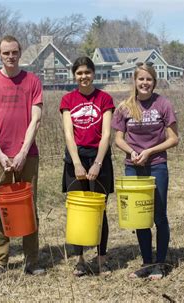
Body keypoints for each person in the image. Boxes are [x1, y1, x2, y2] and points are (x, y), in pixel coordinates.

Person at [0, 35, 44, 275]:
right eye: (6, 53)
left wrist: (23, 152)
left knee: (28, 208)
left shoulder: (32, 81)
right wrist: (2, 154)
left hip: (28, 155)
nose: (10, 57)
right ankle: (0, 262)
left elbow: (35, 120)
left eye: (14, 52)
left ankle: (31, 262)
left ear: (20, 53)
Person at [112, 62, 179, 280]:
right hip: (133, 167)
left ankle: (160, 263)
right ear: (135, 81)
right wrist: (132, 152)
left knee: (159, 215)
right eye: (141, 79)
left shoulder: (163, 104)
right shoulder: (124, 107)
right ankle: (146, 262)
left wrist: (150, 151)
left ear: (154, 81)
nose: (145, 83)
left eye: (149, 79)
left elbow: (174, 139)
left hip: (157, 165)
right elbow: (118, 139)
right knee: (140, 216)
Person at [60, 56, 114, 276]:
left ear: (94, 73)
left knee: (99, 210)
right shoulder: (68, 100)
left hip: (99, 158)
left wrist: (98, 164)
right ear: (74, 75)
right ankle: (80, 259)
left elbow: (107, 133)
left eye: (87, 72)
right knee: (77, 212)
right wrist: (77, 164)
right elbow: (68, 133)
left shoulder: (104, 99)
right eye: (79, 73)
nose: (84, 77)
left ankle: (102, 258)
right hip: (75, 159)